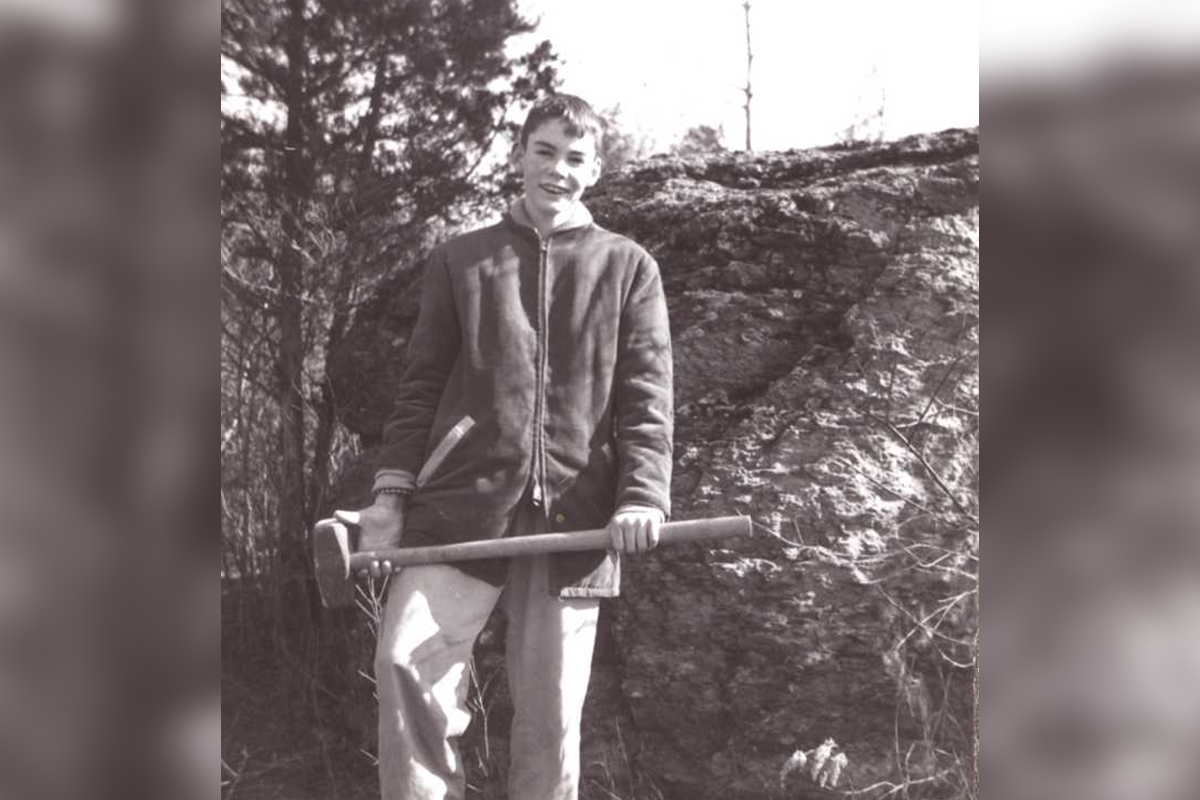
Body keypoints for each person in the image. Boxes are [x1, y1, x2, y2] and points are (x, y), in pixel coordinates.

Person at [333, 93, 673, 800]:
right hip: (461, 508)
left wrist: (642, 496)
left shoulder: (629, 266)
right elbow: (420, 386)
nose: (558, 169)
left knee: (551, 719)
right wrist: (391, 497)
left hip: (577, 517)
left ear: (597, 171)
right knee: (404, 662)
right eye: (544, 152)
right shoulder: (462, 259)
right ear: (518, 156)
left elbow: (647, 398)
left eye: (575, 158)